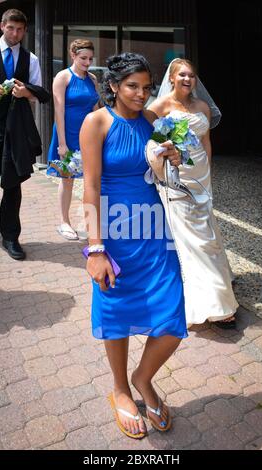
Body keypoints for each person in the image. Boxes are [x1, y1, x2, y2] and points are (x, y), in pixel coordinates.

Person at [80, 53, 188, 439]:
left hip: (155, 229)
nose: (141, 94)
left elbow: (164, 170)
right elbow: (89, 186)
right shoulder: (96, 123)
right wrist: (95, 250)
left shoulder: (153, 121)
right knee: (116, 312)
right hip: (114, 232)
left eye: (146, 87)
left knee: (173, 314)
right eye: (132, 86)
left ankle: (144, 379)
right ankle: (120, 388)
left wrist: (173, 157)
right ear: (113, 86)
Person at [149, 59, 239, 328]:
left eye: (192, 75)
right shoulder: (159, 106)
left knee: (207, 230)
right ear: (173, 78)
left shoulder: (202, 107)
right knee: (193, 238)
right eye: (183, 75)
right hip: (177, 176)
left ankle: (216, 282)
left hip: (201, 175)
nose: (188, 79)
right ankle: (216, 305)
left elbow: (205, 141)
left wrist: (208, 172)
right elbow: (151, 143)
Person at [0, 9, 43, 260]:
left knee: (13, 183)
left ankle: (11, 237)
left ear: (25, 31)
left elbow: (39, 93)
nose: (15, 34)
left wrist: (25, 92)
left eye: (19, 30)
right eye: (11, 29)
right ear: (2, 26)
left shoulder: (31, 59)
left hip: (16, 127)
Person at [47, 39, 99, 240]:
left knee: (92, 179)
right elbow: (58, 111)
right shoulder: (62, 77)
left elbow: (95, 108)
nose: (87, 63)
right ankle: (64, 222)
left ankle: (91, 224)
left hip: (88, 135)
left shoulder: (93, 79)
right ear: (73, 55)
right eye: (83, 58)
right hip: (67, 134)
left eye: (90, 59)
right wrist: (62, 143)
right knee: (67, 179)